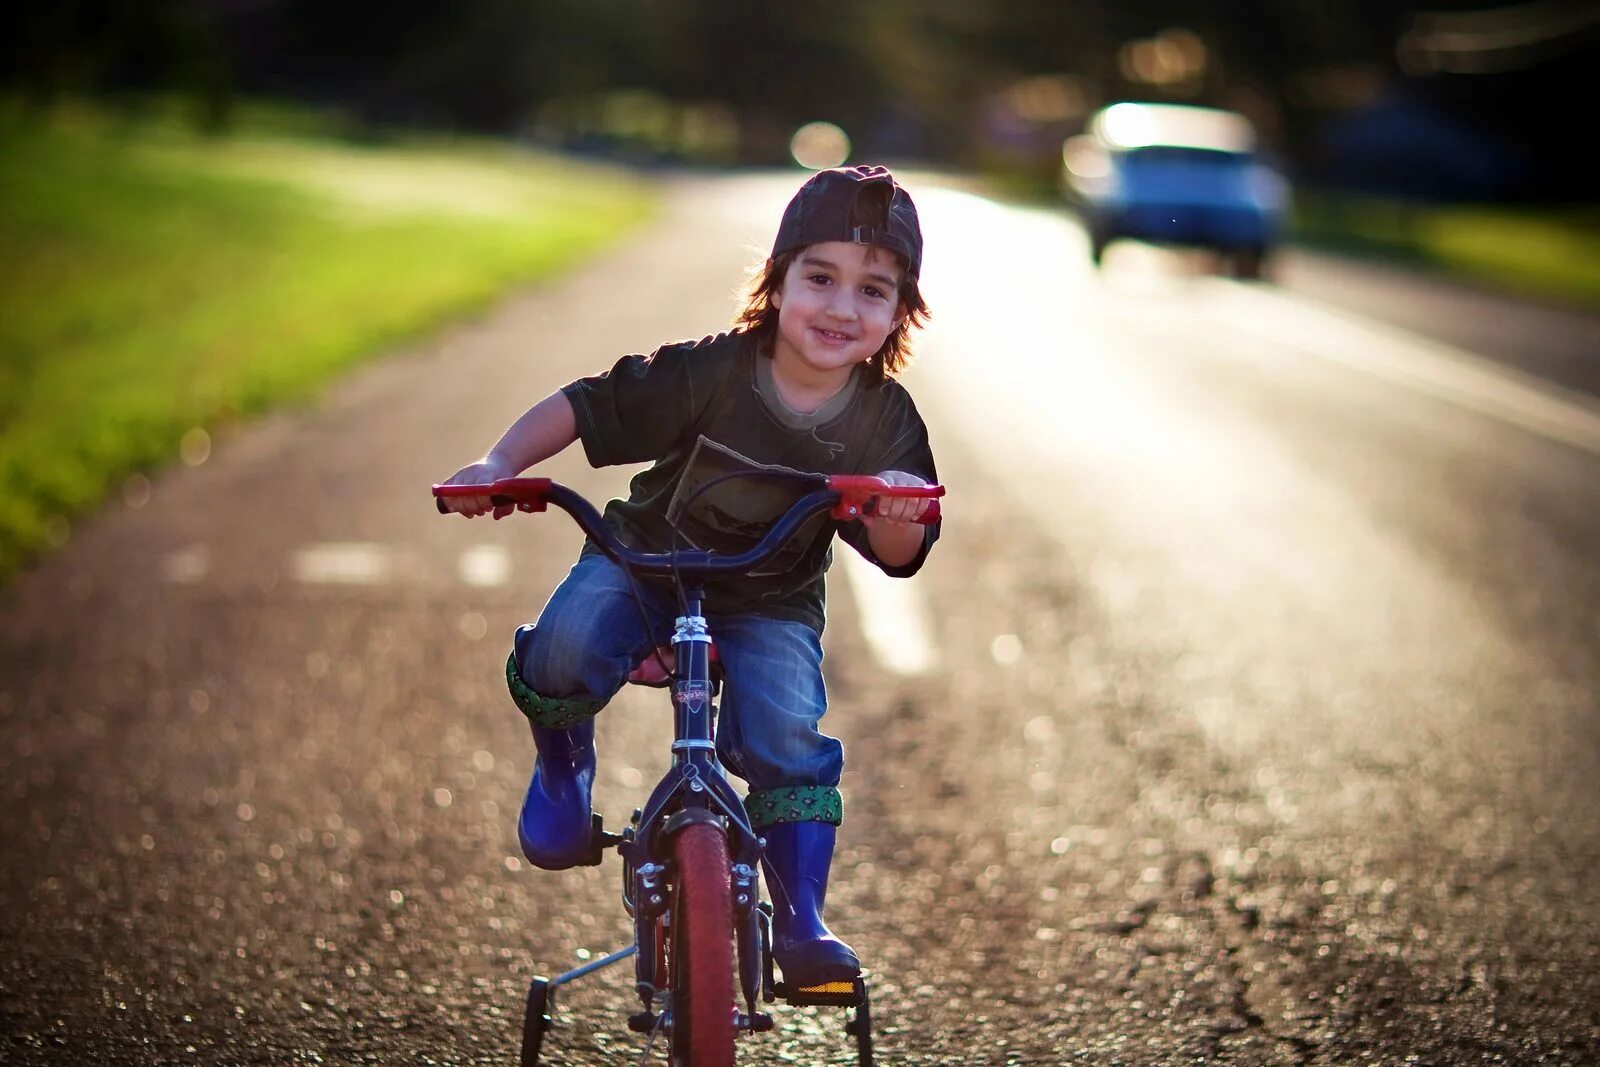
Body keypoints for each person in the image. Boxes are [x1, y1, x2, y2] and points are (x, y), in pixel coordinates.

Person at [438, 165, 940, 987]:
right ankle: (564, 765)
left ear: (898, 314)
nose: (843, 308)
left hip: (768, 599)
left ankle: (801, 914)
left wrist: (896, 504)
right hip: (642, 560)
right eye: (820, 278)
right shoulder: (713, 371)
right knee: (563, 644)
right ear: (777, 283)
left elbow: (899, 555)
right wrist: (499, 462)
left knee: (790, 736)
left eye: (874, 290)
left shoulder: (883, 417)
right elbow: (589, 403)